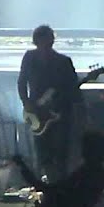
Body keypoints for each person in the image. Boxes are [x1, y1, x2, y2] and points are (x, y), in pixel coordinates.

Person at [17, 25, 82, 182]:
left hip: (60, 113)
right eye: (44, 39)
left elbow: (73, 90)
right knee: (43, 152)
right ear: (37, 41)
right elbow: (21, 82)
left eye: (49, 39)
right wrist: (26, 102)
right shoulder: (29, 57)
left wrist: (68, 102)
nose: (47, 42)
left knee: (60, 153)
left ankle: (60, 186)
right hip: (37, 113)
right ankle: (49, 185)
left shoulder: (63, 61)